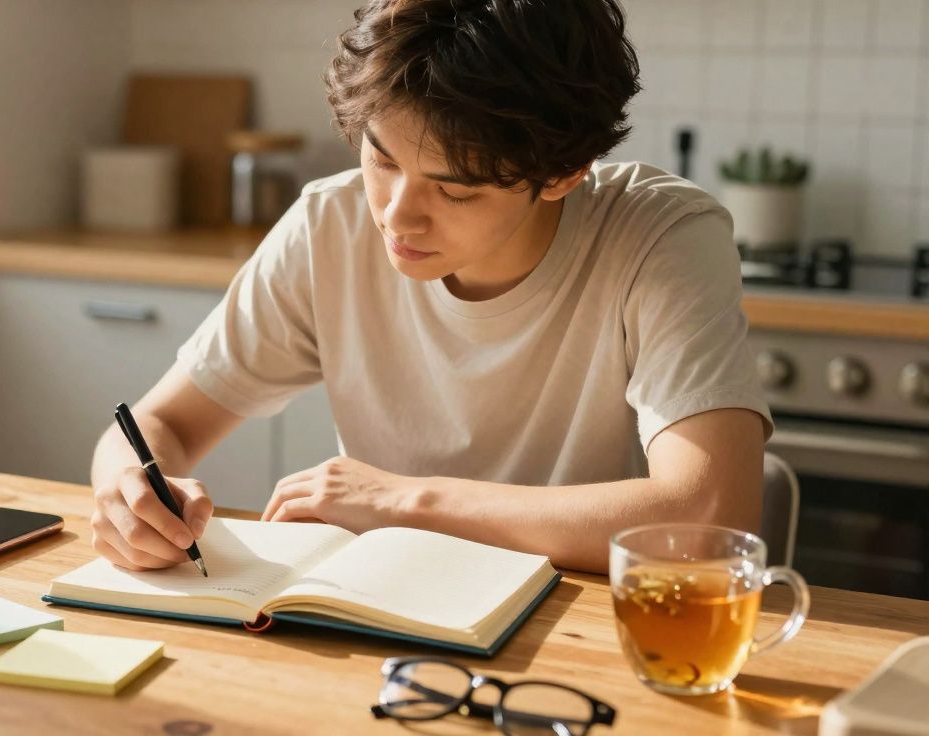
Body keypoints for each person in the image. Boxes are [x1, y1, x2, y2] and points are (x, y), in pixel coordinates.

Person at [88, 0, 771, 574]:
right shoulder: (330, 223)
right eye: (382, 160)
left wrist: (404, 501)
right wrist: (130, 490)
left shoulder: (660, 236)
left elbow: (709, 515)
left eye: (455, 190)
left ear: (564, 173)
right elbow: (159, 425)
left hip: (582, 623)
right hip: (386, 605)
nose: (396, 215)